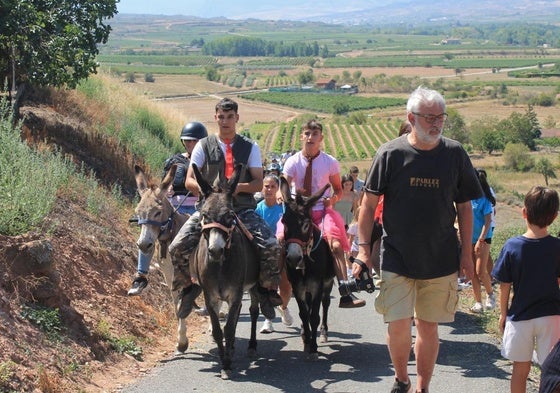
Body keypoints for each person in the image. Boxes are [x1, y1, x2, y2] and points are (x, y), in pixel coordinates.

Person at [355, 86, 482, 393]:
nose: (436, 123)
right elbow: (368, 205)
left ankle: (423, 387)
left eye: (441, 116)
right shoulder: (390, 154)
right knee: (398, 325)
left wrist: (467, 254)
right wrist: (361, 250)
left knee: (428, 326)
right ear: (411, 118)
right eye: (429, 117)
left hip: (440, 257)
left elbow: (465, 207)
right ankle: (402, 378)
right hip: (397, 255)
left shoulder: (454, 154)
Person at [168, 98, 282, 320]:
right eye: (221, 117)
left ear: (237, 118)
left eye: (230, 117)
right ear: (215, 118)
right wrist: (207, 192)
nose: (225, 121)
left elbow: (258, 182)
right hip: (210, 212)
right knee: (176, 246)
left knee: (272, 246)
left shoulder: (250, 147)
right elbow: (190, 179)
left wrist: (237, 188)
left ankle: (266, 290)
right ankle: (188, 289)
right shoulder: (203, 146)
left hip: (242, 210)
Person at [281, 119, 365, 308]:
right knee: (279, 239)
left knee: (335, 244)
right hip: (298, 212)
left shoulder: (330, 162)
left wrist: (332, 200)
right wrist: (281, 195)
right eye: (307, 134)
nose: (310, 138)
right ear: (302, 136)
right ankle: (272, 287)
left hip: (321, 211)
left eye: (314, 134)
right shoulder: (292, 162)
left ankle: (345, 292)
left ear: (321, 138)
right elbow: (283, 184)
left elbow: (338, 190)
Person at [491, 186, 560, 393]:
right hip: (552, 317)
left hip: (520, 317)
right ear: (554, 217)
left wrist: (503, 314)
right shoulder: (557, 247)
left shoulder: (513, 246)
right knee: (551, 373)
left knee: (520, 371)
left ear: (524, 212)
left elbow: (505, 285)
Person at [127, 121, 207, 296]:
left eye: (194, 141)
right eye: (186, 141)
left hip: (197, 205)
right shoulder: (174, 161)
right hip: (171, 205)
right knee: (150, 226)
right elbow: (165, 182)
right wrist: (166, 191)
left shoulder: (207, 162)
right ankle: (141, 275)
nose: (190, 144)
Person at [256, 174, 294, 334]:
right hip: (265, 255)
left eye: (273, 186)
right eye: (266, 186)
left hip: (283, 253)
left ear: (278, 189)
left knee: (285, 289)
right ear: (262, 188)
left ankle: (284, 307)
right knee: (267, 288)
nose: (269, 189)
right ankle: (268, 320)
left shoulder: (284, 208)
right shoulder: (258, 209)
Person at [469, 169, 497, 313]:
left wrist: (480, 240)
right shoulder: (467, 199)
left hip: (484, 238)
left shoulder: (484, 200)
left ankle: (491, 294)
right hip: (469, 239)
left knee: (480, 271)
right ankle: (478, 303)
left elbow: (487, 222)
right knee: (472, 272)